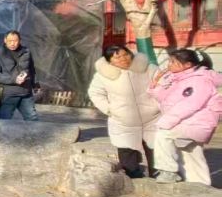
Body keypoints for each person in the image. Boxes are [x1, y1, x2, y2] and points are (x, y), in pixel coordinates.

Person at [149, 48, 221, 186]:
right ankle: (201, 185)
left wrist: (166, 122)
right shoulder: (178, 78)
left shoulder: (199, 80)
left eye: (173, 62)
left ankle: (168, 171)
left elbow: (190, 105)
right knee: (190, 155)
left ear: (187, 65)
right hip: (186, 123)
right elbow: (164, 99)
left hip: (196, 123)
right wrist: (156, 84)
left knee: (164, 134)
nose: (169, 65)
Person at [87, 44, 159, 178]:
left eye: (125, 54)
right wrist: (109, 109)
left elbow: (165, 85)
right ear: (109, 61)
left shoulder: (149, 69)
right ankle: (133, 177)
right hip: (123, 120)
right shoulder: (103, 75)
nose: (123, 59)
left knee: (156, 148)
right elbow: (95, 93)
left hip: (152, 118)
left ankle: (159, 176)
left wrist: (159, 104)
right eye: (117, 57)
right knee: (126, 148)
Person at [0, 30, 38, 121]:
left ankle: (34, 132)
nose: (12, 43)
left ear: (20, 40)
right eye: (10, 41)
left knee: (32, 118)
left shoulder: (26, 52)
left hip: (26, 92)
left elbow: (31, 69)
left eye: (15, 41)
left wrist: (35, 85)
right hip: (8, 94)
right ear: (5, 40)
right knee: (4, 120)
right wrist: (14, 79)